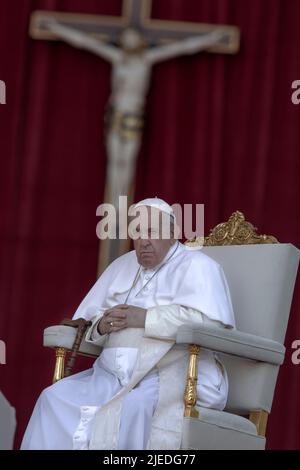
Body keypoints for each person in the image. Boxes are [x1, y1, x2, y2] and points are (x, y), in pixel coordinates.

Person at [21, 198, 235, 450]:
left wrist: (144, 317)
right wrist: (102, 326)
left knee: (133, 407)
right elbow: (88, 320)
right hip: (111, 375)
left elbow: (210, 325)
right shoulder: (121, 265)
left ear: (173, 233)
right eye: (138, 232)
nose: (144, 240)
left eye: (152, 232)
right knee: (53, 398)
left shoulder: (199, 266)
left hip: (169, 373)